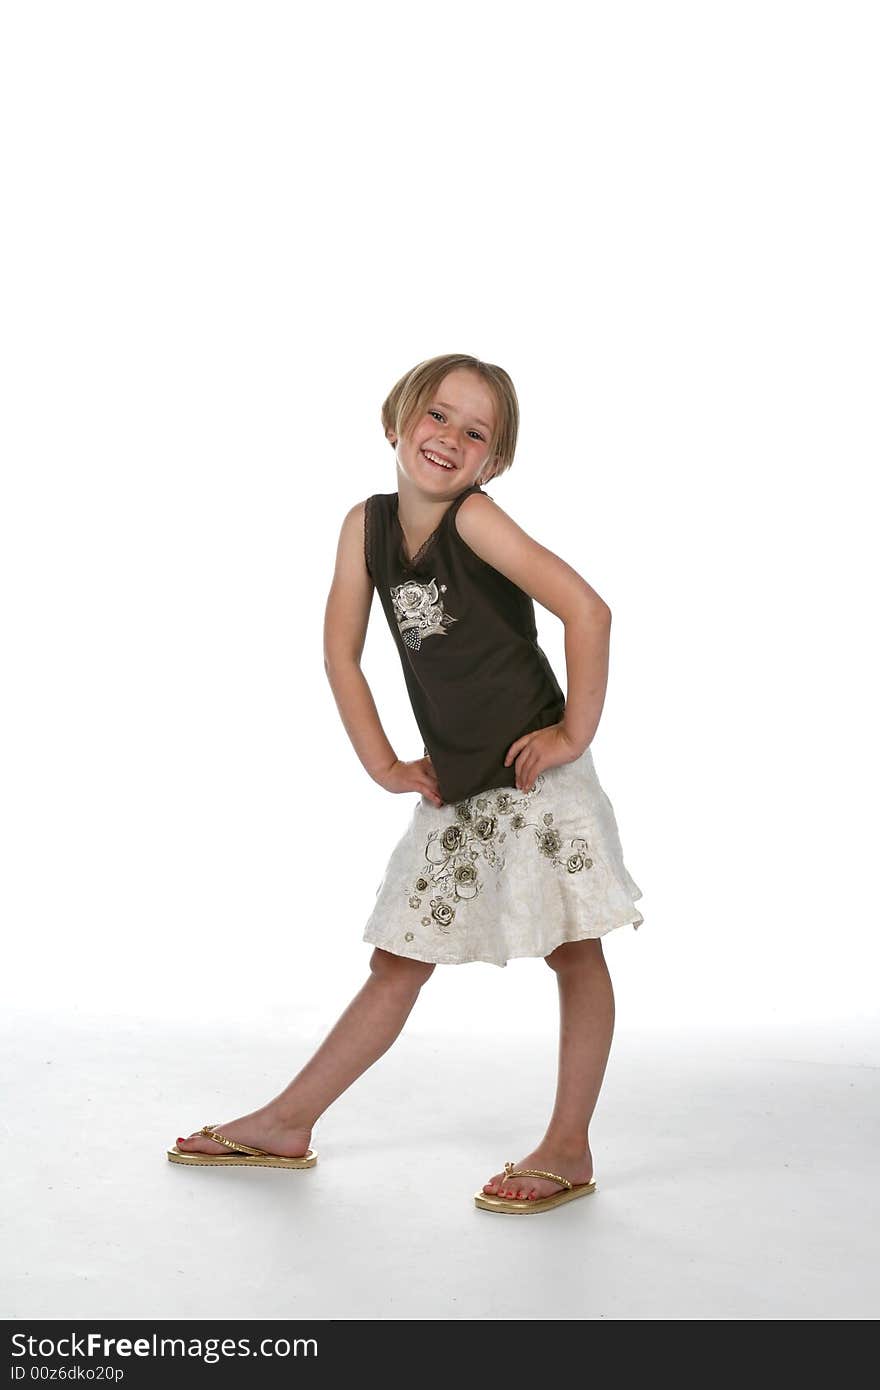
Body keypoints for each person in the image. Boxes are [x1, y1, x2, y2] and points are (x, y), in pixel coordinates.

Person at [168, 352, 644, 1215]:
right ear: (396, 420)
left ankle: (567, 1146)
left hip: (537, 782)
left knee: (575, 950)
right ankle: (287, 1122)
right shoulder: (365, 527)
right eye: (436, 416)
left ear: (493, 462)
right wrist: (382, 761)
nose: (449, 439)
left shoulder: (477, 522)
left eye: (476, 432)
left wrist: (574, 729)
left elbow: (589, 610)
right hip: (461, 787)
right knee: (398, 959)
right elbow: (339, 654)